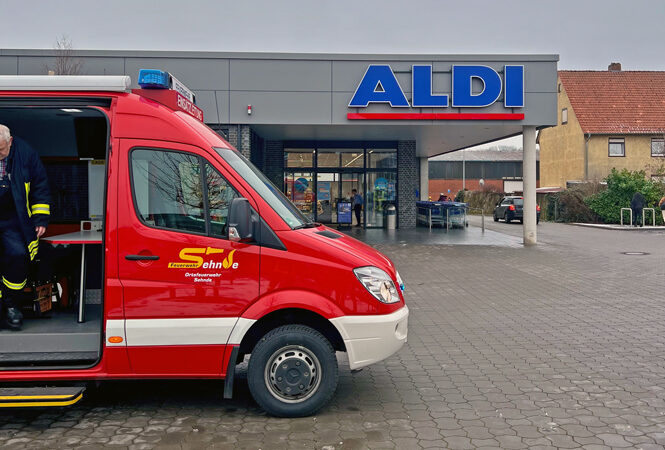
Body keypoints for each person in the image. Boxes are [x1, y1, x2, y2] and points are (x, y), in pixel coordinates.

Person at [0, 125, 50, 330]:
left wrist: (40, 218)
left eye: (1, 150)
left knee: (19, 256)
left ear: (10, 141)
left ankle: (11, 305)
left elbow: (40, 185)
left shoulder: (26, 153)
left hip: (14, 218)